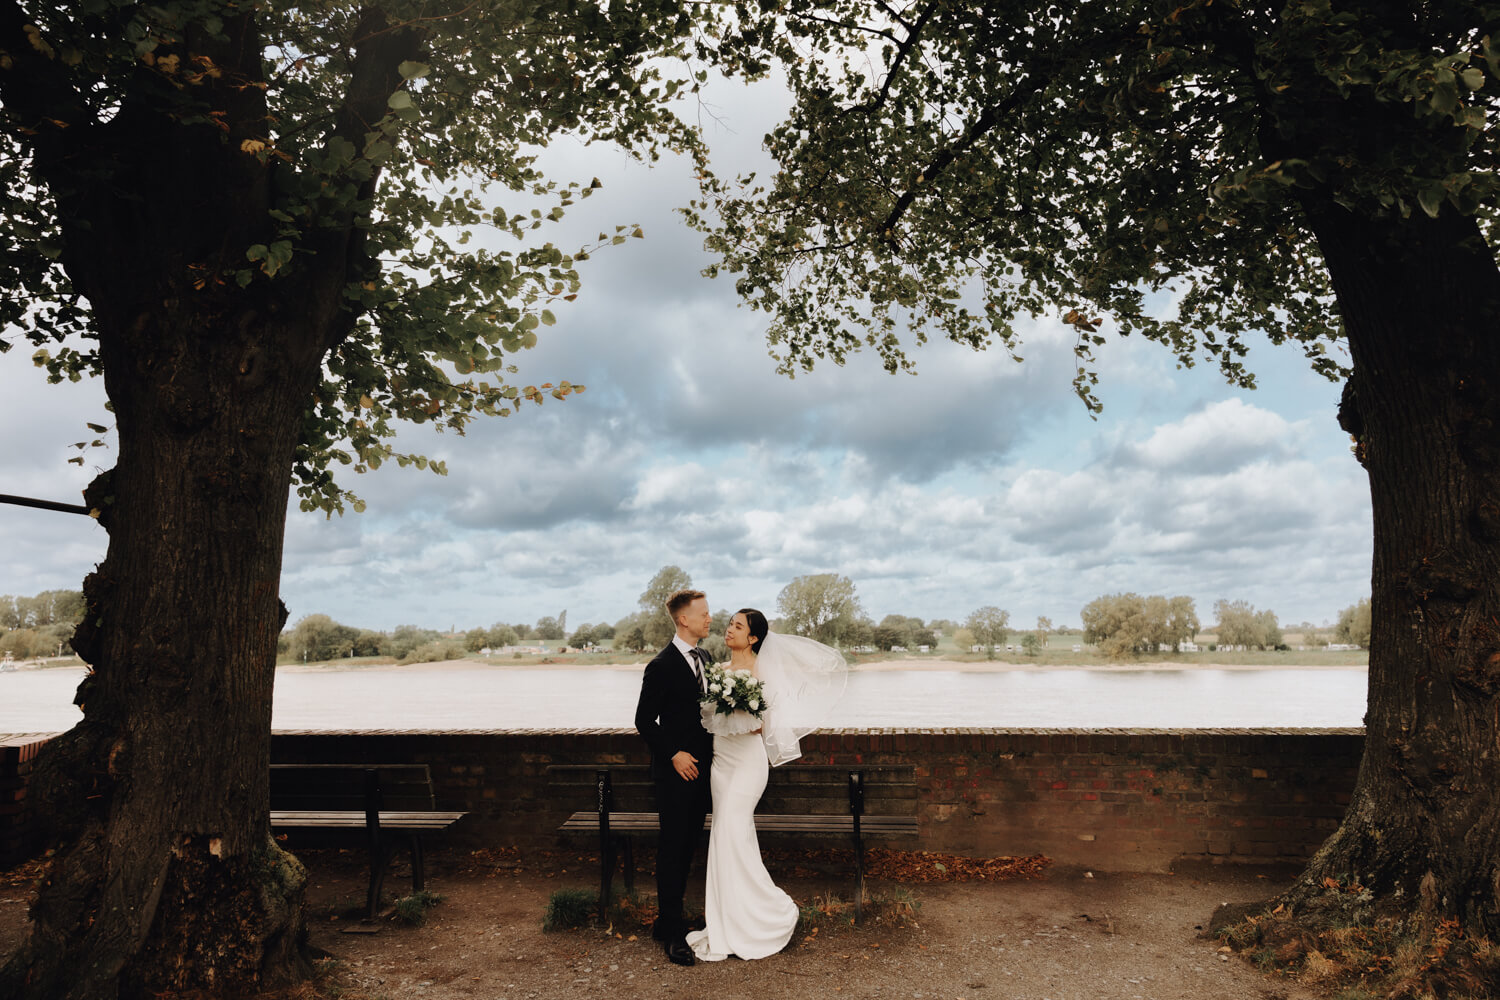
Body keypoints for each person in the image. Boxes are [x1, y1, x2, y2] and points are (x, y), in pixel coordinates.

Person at [686, 608, 847, 962]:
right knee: (724, 837)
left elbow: (764, 726)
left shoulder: (763, 671)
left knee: (732, 832)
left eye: (738, 626)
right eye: (729, 624)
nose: (729, 629)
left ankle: (764, 917)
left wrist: (734, 704)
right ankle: (726, 921)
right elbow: (707, 721)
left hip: (747, 765)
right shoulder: (720, 672)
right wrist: (720, 704)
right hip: (720, 764)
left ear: (753, 637)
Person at [633, 589, 714, 967]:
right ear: (684, 619)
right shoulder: (661, 665)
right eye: (703, 613)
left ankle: (670, 920)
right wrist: (673, 754)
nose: (709, 618)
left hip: (704, 772)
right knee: (673, 849)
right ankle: (671, 931)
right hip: (675, 773)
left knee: (688, 847)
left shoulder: (707, 657)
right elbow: (643, 721)